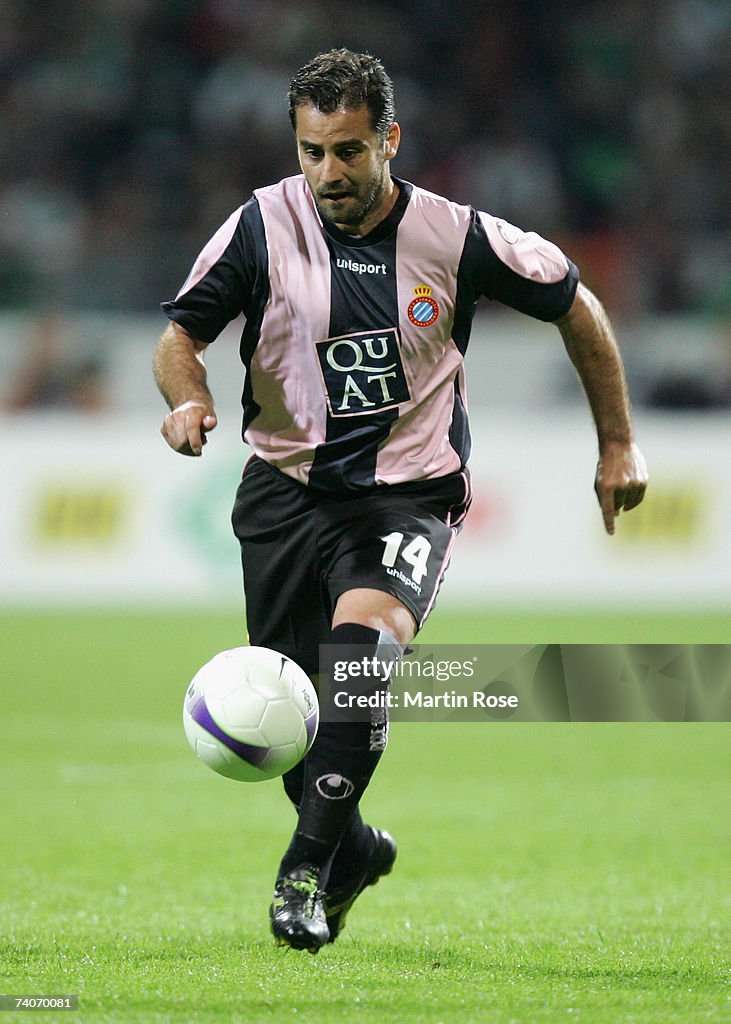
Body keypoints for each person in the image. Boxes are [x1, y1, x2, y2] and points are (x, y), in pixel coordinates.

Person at [153, 48, 648, 953]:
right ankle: (353, 848)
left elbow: (575, 304)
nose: (328, 173)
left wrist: (615, 439)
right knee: (296, 721)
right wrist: (187, 398)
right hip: (282, 494)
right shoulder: (259, 226)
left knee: (357, 666)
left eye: (347, 151)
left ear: (389, 139)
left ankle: (300, 876)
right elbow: (181, 334)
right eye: (312, 152)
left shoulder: (457, 235)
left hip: (406, 496)